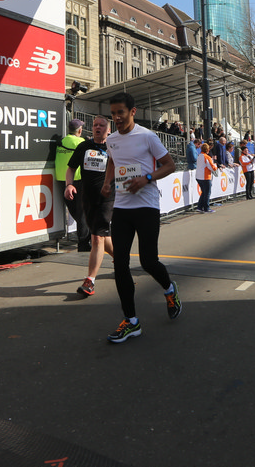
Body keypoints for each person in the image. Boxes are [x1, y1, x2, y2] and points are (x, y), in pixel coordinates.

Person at [100, 92, 179, 343]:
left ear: (132, 112)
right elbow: (112, 161)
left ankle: (169, 289)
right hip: (122, 208)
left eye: (120, 112)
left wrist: (146, 178)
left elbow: (169, 165)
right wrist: (107, 183)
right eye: (113, 114)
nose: (116, 118)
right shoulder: (112, 139)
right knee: (120, 264)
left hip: (146, 206)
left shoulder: (147, 136)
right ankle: (131, 321)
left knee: (148, 261)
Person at [65, 115, 115, 297]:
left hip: (107, 198)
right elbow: (71, 168)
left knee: (96, 238)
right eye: (95, 125)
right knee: (101, 234)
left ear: (108, 130)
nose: (97, 128)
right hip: (87, 198)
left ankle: (90, 281)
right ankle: (120, 259)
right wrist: (69, 185)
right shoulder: (84, 146)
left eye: (101, 125)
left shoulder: (114, 147)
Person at [55, 119, 89, 251]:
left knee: (75, 211)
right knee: (82, 213)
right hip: (77, 180)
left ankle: (86, 236)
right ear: (80, 130)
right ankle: (84, 242)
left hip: (61, 179)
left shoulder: (62, 141)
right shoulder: (80, 142)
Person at [194, 143, 217, 213]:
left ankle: (200, 207)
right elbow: (212, 168)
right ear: (207, 150)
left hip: (198, 176)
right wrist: (215, 165)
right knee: (207, 193)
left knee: (204, 192)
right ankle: (206, 208)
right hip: (205, 177)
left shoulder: (199, 156)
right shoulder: (207, 157)